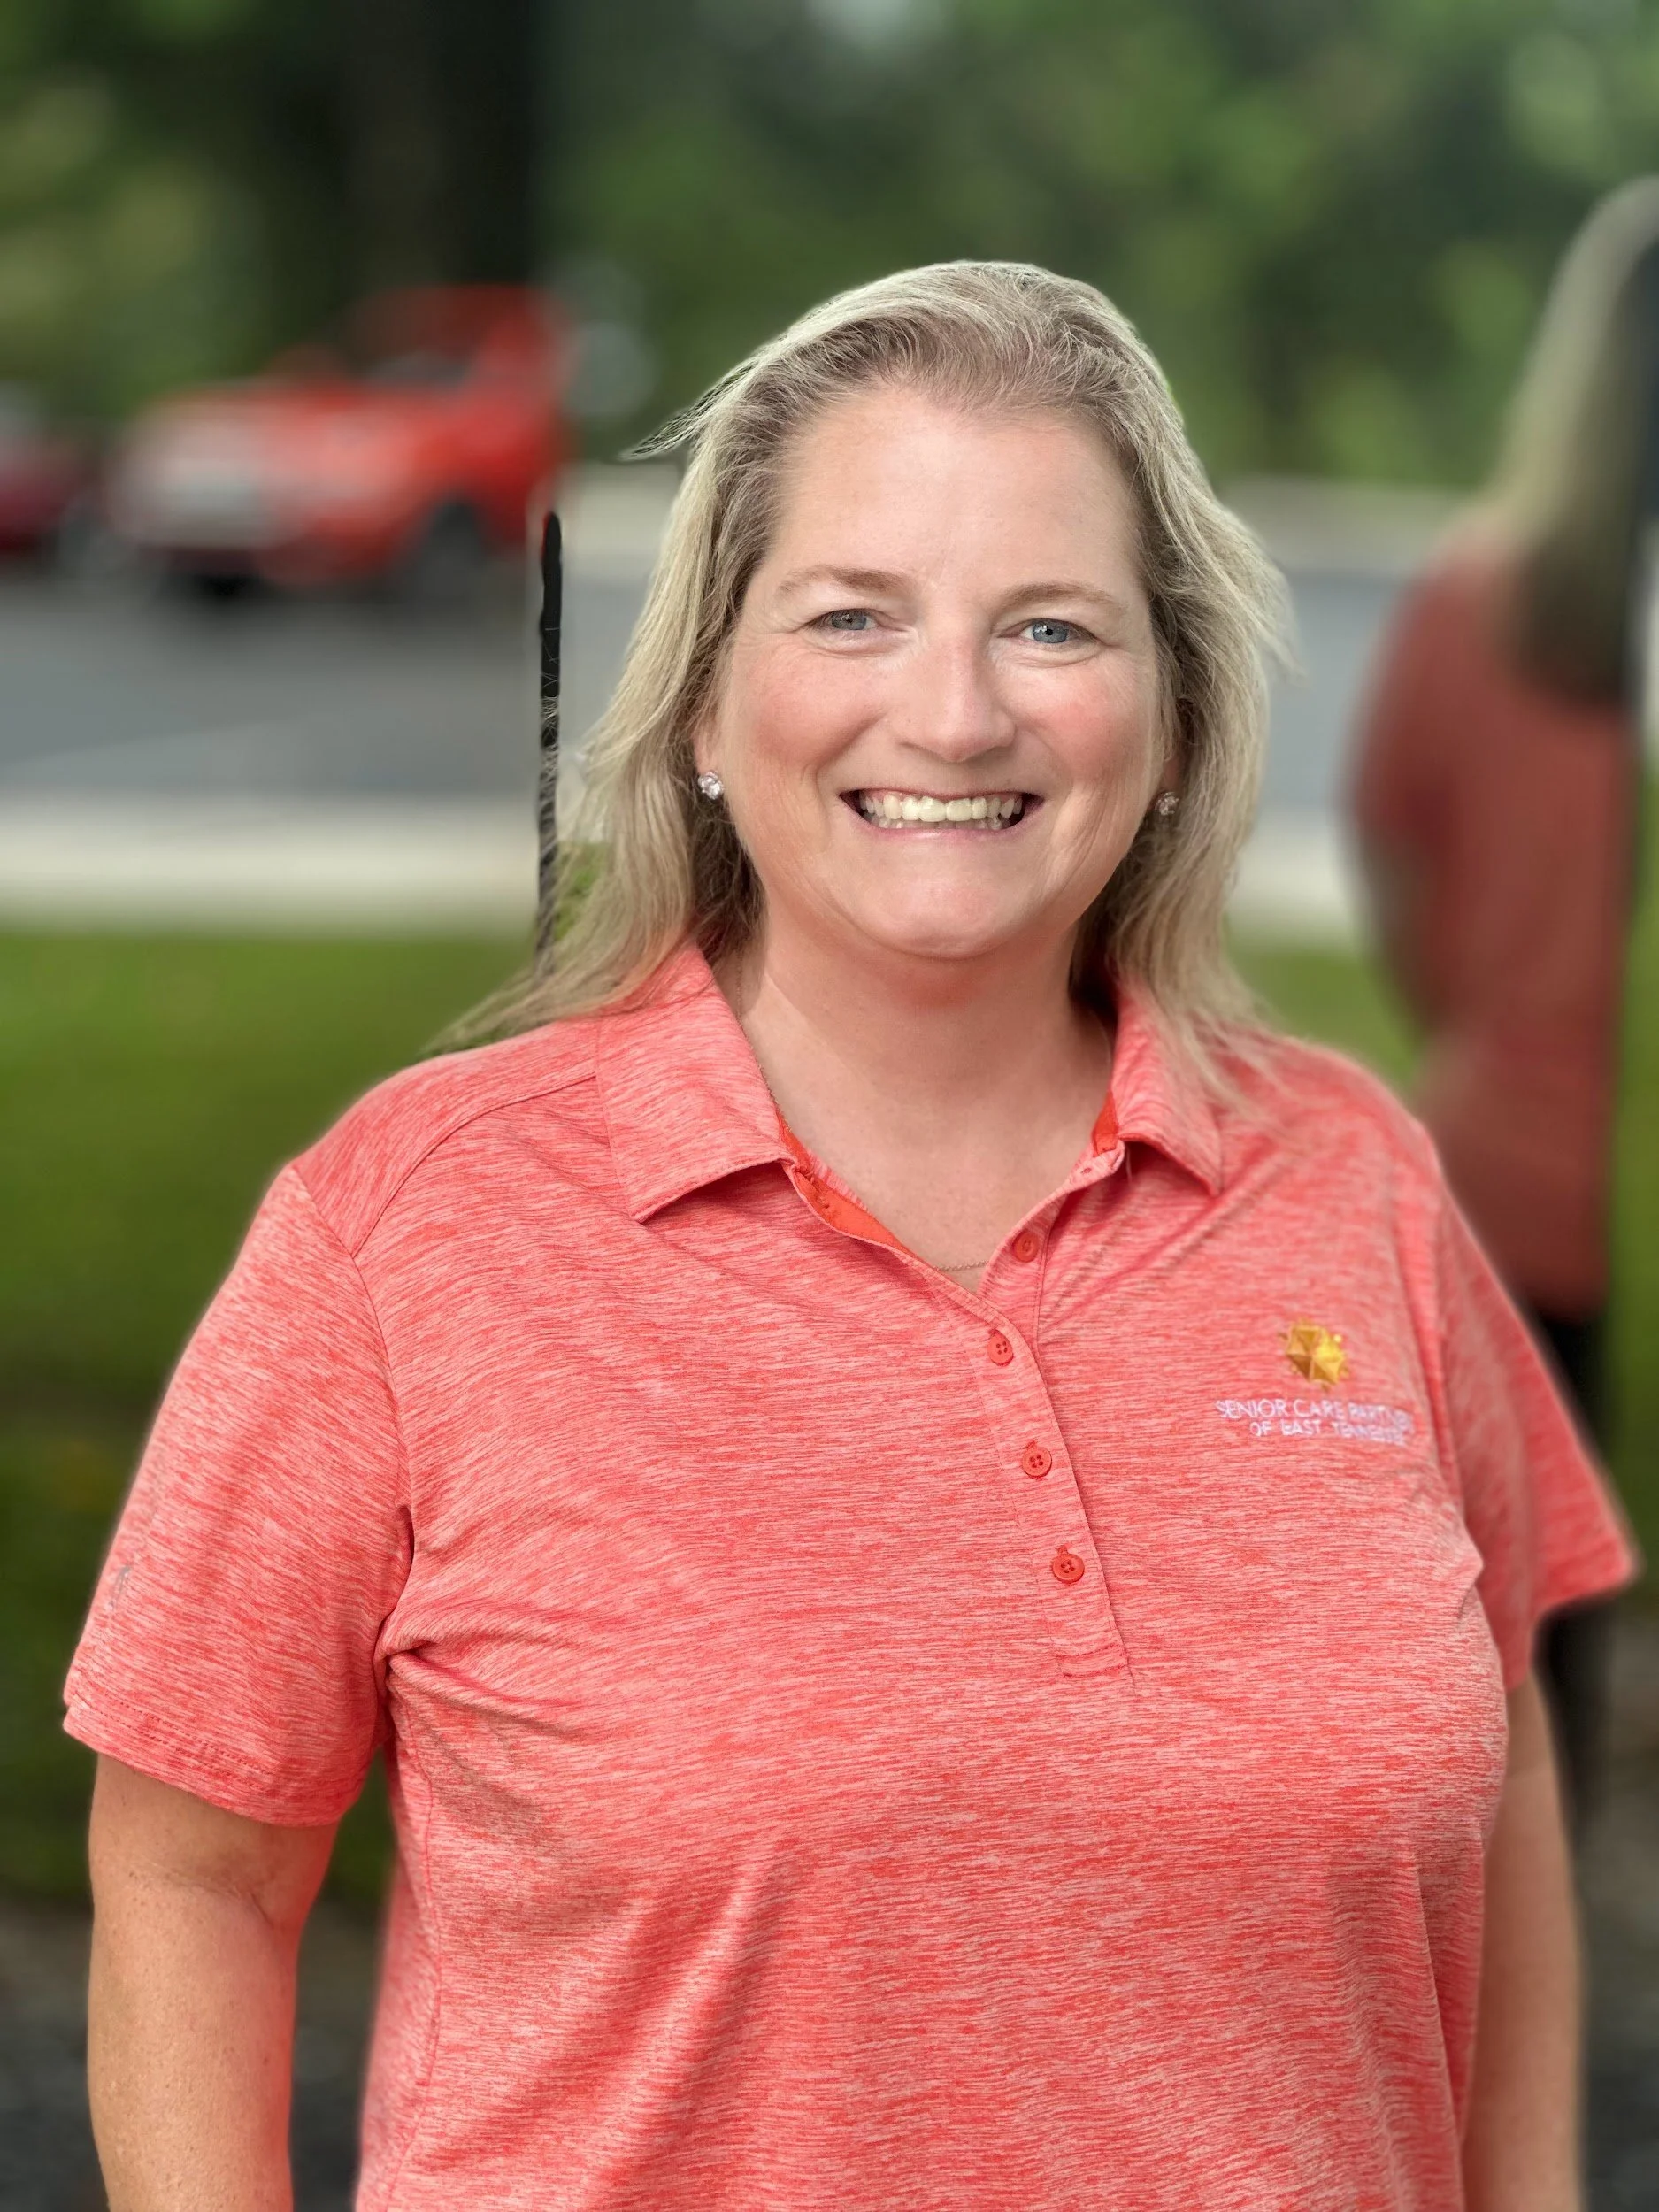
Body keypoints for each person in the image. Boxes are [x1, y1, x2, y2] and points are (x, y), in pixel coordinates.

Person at [71, 263, 1632, 2212]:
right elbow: (192, 1869)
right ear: (707, 702)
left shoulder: (1353, 1174)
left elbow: (1499, 1763)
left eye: (1049, 624)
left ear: (1171, 712)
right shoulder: (410, 1222)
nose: (954, 712)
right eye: (851, 615)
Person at [1351, 182, 1657, 1826]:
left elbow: (1391, 849)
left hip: (1504, 1161)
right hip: (1559, 1175)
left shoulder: (1472, 603)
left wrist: (1474, 1022)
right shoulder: (1485, 603)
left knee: (1519, 1619)